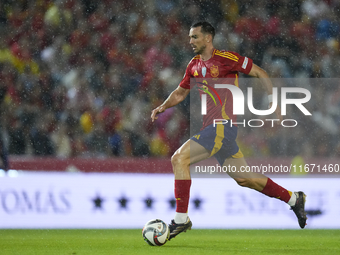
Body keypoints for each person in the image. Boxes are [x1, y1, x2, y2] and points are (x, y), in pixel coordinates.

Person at [151, 21, 307, 240]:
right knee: (245, 179)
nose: (190, 41)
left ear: (208, 37)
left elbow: (260, 73)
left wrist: (275, 104)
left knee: (179, 159)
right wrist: (163, 106)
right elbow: (180, 91)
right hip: (215, 130)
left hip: (221, 127)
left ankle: (180, 220)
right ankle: (293, 199)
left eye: (195, 37)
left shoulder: (227, 59)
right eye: (189, 37)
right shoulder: (193, 64)